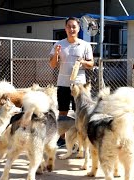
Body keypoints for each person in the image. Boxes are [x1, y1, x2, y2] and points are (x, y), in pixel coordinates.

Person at [49, 17, 94, 147]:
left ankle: (80, 138)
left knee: (80, 113)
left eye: (74, 26)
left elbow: (91, 64)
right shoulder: (59, 44)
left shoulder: (85, 45)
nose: (71, 29)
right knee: (63, 112)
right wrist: (57, 54)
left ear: (79, 28)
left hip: (79, 86)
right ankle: (62, 138)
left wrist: (83, 62)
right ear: (65, 28)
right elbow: (52, 65)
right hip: (63, 84)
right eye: (69, 26)